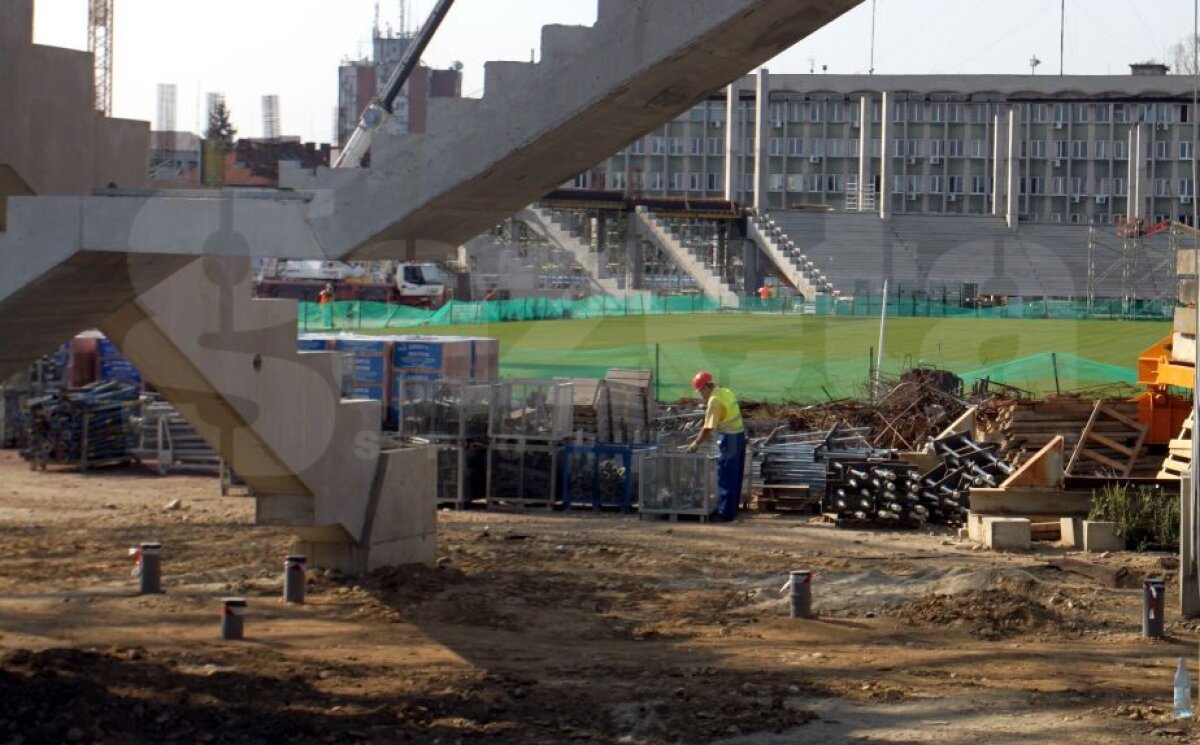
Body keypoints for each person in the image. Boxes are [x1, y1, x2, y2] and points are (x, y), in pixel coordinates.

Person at [686, 371, 746, 522]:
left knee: (726, 475)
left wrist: (696, 443)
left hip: (729, 439)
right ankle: (732, 510)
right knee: (735, 475)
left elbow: (708, 428)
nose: (700, 394)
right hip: (739, 436)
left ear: (706, 387)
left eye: (700, 391)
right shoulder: (726, 392)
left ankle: (724, 514)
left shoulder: (714, 400)